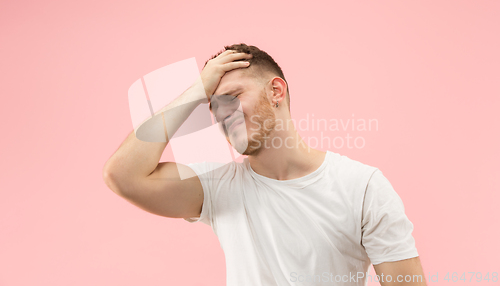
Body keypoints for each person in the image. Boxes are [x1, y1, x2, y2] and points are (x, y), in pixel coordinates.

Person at [103, 43, 427, 286]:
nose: (222, 116)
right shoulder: (219, 188)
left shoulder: (363, 187)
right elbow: (122, 175)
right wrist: (195, 91)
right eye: (213, 109)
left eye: (232, 98)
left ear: (276, 90)